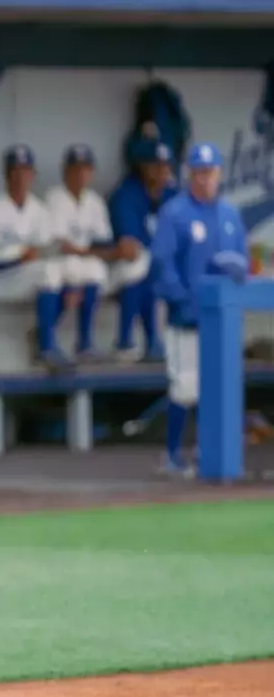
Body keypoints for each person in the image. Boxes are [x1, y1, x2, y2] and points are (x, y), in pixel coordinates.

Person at [150, 143, 248, 477]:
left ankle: (211, 453)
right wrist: (182, 300)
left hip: (223, 321)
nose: (205, 178)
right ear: (190, 174)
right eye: (199, 172)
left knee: (219, 389)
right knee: (185, 388)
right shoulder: (175, 212)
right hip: (186, 320)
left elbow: (241, 264)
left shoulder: (229, 215)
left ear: (219, 173)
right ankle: (172, 454)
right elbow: (162, 263)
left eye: (210, 172)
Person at [0, 145, 67, 369]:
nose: (21, 177)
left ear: (33, 174)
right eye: (15, 171)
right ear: (6, 175)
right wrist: (18, 257)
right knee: (47, 272)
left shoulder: (39, 210)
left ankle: (44, 338)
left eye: (26, 171)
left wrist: (28, 258)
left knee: (63, 274)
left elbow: (47, 250)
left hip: (22, 277)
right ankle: (46, 348)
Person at [44, 144, 121, 361]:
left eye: (86, 169)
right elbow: (60, 244)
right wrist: (89, 251)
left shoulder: (95, 202)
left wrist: (91, 252)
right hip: (57, 260)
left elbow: (104, 241)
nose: (81, 174)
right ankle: (45, 335)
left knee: (95, 271)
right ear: (65, 171)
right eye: (76, 168)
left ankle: (85, 342)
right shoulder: (55, 198)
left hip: (84, 260)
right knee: (73, 271)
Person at [107, 139, 176, 361]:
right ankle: (125, 342)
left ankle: (155, 343)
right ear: (143, 167)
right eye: (156, 165)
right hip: (116, 266)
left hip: (155, 265)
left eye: (166, 166)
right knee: (141, 267)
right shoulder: (126, 194)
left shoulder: (172, 194)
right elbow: (130, 247)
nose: (162, 171)